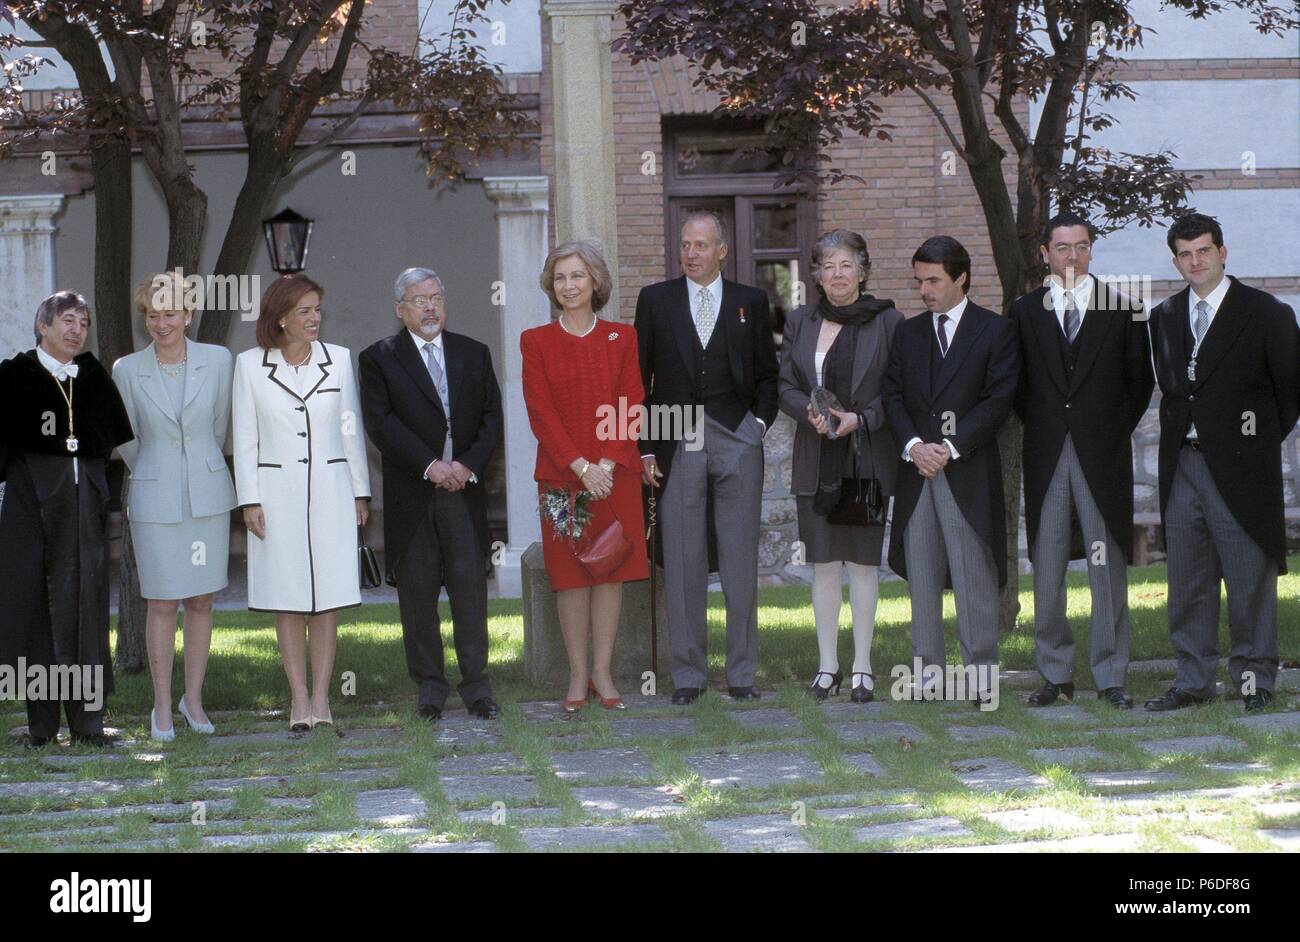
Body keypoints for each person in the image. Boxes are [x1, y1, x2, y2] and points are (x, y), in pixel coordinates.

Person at [1145, 213, 1298, 713]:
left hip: (1241, 465)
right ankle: (1193, 681)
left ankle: (1254, 680)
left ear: (1223, 252)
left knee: (1249, 578)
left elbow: (1288, 394)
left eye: (1204, 251)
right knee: (1187, 581)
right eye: (1185, 254)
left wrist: (1249, 443)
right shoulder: (1164, 317)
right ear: (1176, 261)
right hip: (1182, 466)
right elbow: (1173, 393)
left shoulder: (1266, 313)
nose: (1196, 261)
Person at [1010, 213, 1154, 710]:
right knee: (1047, 565)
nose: (1073, 256)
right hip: (1047, 453)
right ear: (1045, 254)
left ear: (1091, 251)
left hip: (1103, 456)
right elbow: (1017, 387)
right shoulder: (1024, 311)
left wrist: (1106, 430)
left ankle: (1111, 675)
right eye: (1063, 247)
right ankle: (1055, 675)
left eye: (1082, 247)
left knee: (1106, 566)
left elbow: (1138, 385)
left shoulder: (1125, 309)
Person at [634, 211, 779, 704]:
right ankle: (688, 677)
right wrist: (646, 446)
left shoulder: (750, 302)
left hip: (736, 431)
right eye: (684, 245)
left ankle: (741, 674)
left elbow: (767, 373)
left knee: (740, 559)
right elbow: (639, 380)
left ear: (722, 250)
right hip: (674, 436)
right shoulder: (655, 300)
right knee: (682, 559)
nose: (690, 253)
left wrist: (757, 426)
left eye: (700, 245)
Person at [358, 268, 502, 723]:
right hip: (412, 497)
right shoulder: (379, 358)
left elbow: (491, 419)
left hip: (464, 493)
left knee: (469, 595)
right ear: (400, 310)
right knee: (418, 600)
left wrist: (465, 466)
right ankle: (430, 691)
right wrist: (430, 466)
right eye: (419, 300)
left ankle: (478, 688)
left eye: (436, 297)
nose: (430, 307)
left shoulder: (473, 353)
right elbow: (382, 424)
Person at [882, 237, 1019, 706]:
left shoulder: (996, 331)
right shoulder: (908, 332)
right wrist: (915, 446)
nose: (924, 290)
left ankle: (982, 679)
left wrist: (951, 447)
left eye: (933, 280)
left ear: (961, 277)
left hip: (967, 472)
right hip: (917, 473)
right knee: (922, 580)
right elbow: (893, 395)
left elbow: (999, 399)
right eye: (919, 280)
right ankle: (927, 678)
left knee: (973, 579)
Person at [232, 274, 371, 731]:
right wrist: (248, 499)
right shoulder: (250, 365)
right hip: (275, 498)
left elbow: (350, 429)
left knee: (326, 598)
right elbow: (245, 437)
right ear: (280, 319)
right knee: (287, 599)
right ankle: (298, 701)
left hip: (331, 492)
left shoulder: (340, 360)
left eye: (317, 309)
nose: (314, 319)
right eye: (304, 311)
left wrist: (359, 490)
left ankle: (323, 700)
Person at [0, 291, 133, 747]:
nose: (77, 330)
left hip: (83, 511)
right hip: (30, 509)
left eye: (84, 323)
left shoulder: (94, 379)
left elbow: (106, 445)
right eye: (69, 321)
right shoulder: (14, 376)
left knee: (87, 608)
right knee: (38, 608)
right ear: (44, 325)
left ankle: (88, 724)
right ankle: (41, 725)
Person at [522, 242, 649, 712]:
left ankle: (603, 672)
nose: (568, 286)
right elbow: (541, 412)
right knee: (570, 577)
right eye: (560, 278)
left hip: (616, 476)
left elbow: (631, 400)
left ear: (595, 282)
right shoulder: (536, 341)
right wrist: (580, 467)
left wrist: (608, 465)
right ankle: (577, 675)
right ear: (550, 287)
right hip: (561, 478)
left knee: (610, 570)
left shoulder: (622, 338)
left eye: (577, 276)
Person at [778, 230, 902, 703]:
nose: (837, 275)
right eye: (827, 266)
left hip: (865, 458)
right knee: (825, 564)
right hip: (816, 458)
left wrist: (863, 419)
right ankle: (827, 667)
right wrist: (804, 413)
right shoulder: (801, 321)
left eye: (846, 265)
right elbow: (786, 384)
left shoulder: (888, 321)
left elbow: (898, 389)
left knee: (864, 565)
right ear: (816, 275)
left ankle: (863, 669)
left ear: (863, 270)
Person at [113, 272, 237, 740]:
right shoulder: (127, 369)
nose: (161, 324)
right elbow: (126, 438)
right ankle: (161, 707)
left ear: (188, 315)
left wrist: (197, 464)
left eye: (169, 314)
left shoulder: (219, 360)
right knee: (162, 601)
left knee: (202, 599)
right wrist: (157, 467)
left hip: (206, 496)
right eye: (151, 315)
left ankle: (194, 701)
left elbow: (221, 427)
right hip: (153, 496)